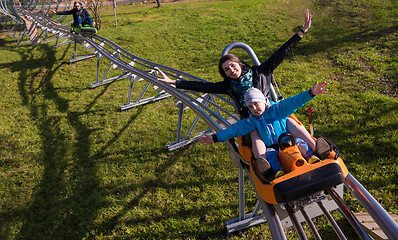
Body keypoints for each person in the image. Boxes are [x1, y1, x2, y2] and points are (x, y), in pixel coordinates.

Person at [157, 9, 325, 160]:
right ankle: (264, 163)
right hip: (251, 118)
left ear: (240, 64)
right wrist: (174, 82)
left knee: (291, 122)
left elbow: (280, 54)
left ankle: (314, 148)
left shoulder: (260, 72)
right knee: (254, 135)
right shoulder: (228, 86)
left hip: (270, 111)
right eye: (226, 70)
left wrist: (302, 32)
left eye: (232, 65)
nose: (231, 70)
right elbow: (202, 86)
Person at [199, 82, 329, 179]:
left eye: (256, 103)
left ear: (264, 101)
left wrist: (311, 93)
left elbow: (293, 102)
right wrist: (215, 138)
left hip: (289, 141)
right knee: (271, 154)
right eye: (250, 106)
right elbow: (235, 130)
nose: (254, 108)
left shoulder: (278, 109)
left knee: (300, 142)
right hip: (272, 146)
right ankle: (275, 170)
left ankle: (313, 155)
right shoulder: (252, 121)